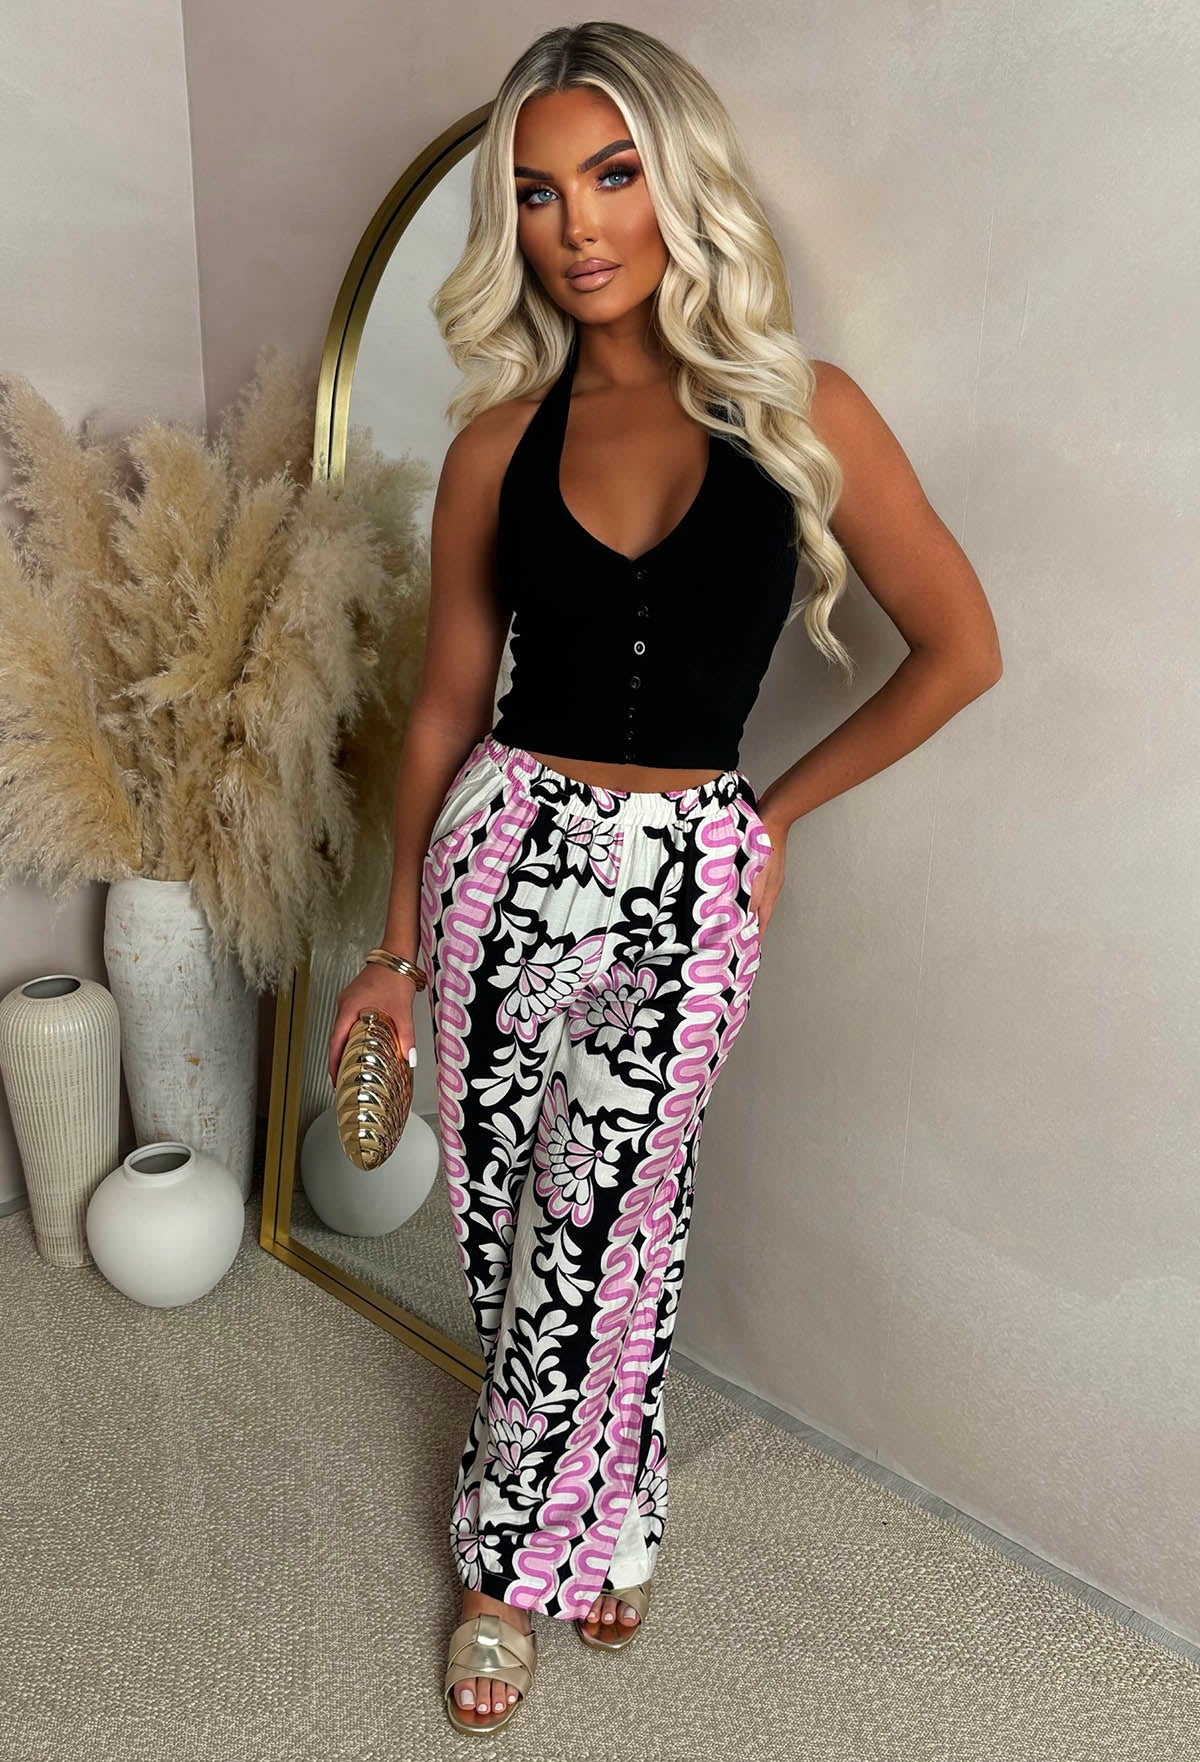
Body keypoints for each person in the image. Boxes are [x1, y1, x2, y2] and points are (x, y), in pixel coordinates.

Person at [328, 20, 1001, 1736]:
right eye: (538, 191)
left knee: (614, 1213)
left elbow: (960, 647)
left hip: (690, 876)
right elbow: (441, 708)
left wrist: (773, 817)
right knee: (508, 1222)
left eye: (613, 174)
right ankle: (609, 1503)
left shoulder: (805, 411)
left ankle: (501, 1568)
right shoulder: (496, 444)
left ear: (677, 179)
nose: (579, 224)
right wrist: (393, 946)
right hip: (499, 853)